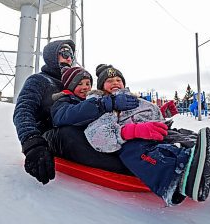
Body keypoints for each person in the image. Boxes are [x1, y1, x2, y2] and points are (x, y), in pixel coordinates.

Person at [50, 64, 210, 205]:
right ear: (102, 88)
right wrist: (133, 129)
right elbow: (100, 136)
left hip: (161, 133)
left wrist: (161, 111)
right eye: (109, 81)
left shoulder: (133, 99)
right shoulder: (102, 103)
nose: (115, 83)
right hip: (142, 144)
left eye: (118, 79)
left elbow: (151, 118)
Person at [51, 65, 210, 205]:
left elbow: (135, 114)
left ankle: (206, 153)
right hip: (107, 143)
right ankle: (174, 181)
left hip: (124, 136)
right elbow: (75, 118)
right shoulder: (68, 101)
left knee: (173, 137)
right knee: (133, 148)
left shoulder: (98, 100)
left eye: (87, 83)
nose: (85, 87)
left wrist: (160, 113)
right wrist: (110, 106)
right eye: (79, 84)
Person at [13, 40, 139, 185]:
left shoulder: (76, 80)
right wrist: (32, 144)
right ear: (51, 56)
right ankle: (127, 169)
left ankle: (142, 157)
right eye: (64, 53)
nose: (69, 58)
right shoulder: (39, 80)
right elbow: (23, 111)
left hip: (81, 128)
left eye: (71, 55)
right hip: (52, 136)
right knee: (68, 133)